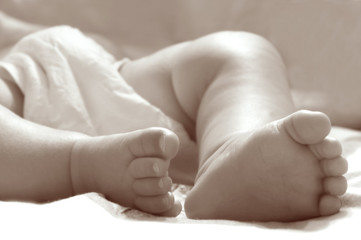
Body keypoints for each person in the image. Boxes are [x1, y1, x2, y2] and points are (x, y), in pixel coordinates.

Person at [0, 14, 348, 222]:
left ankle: (231, 154)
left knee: (239, 51)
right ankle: (80, 164)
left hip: (88, 68)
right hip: (19, 99)